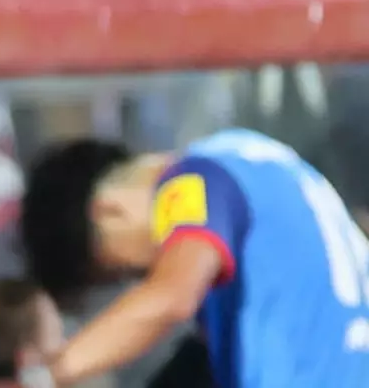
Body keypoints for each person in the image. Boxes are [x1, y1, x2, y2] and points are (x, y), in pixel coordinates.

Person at [19, 128, 369, 386]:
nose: (145, 277)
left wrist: (46, 375)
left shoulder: (193, 180)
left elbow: (170, 297)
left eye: (130, 271)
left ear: (110, 211)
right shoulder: (260, 163)